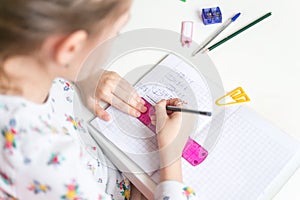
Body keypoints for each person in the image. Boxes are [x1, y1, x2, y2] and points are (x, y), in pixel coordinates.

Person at [0, 0, 197, 199]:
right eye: (116, 32)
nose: (115, 39)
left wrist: (82, 75)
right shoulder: (44, 160)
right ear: (70, 48)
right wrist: (171, 157)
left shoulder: (15, 51)